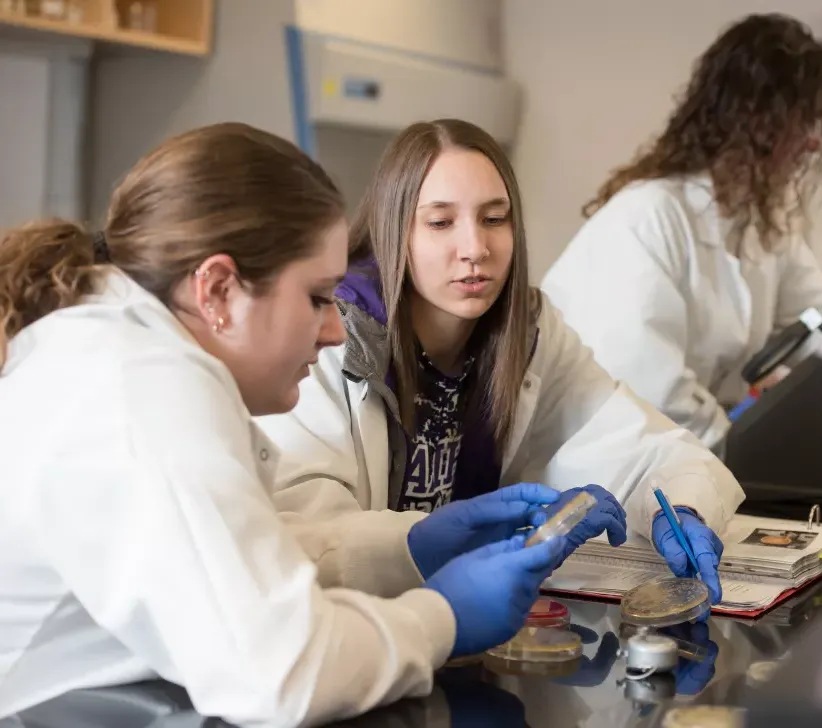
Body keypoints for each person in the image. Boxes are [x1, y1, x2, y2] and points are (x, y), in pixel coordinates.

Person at [0, 123, 582, 727]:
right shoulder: (145, 390)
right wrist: (444, 617)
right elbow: (281, 675)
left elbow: (230, 558)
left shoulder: (120, 351)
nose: (334, 330)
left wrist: (409, 544)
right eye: (317, 297)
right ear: (219, 290)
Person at [256, 118, 745, 605]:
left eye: (494, 219)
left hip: (459, 628)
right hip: (362, 631)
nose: (475, 249)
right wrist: (434, 542)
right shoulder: (332, 334)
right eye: (440, 222)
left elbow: (649, 449)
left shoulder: (528, 331)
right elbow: (308, 540)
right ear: (395, 230)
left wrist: (681, 507)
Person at [541, 13, 822, 456]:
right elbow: (647, 388)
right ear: (755, 119)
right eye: (804, 120)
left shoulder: (758, 226)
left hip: (683, 457)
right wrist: (739, 448)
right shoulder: (648, 216)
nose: (813, 143)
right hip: (601, 463)